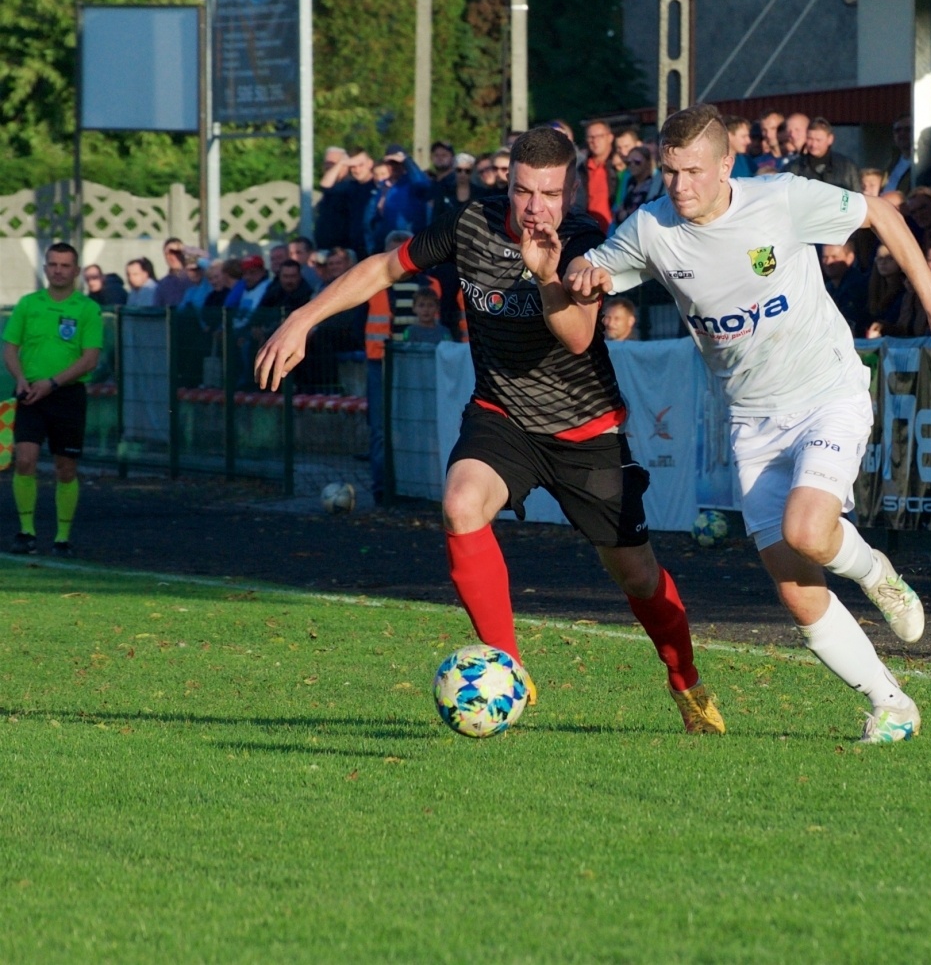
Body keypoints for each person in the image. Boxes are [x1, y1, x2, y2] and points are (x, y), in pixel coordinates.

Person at [254, 127, 726, 735]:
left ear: (571, 189)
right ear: (508, 185)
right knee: (460, 504)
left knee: (635, 573)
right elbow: (381, 267)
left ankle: (686, 682)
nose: (536, 208)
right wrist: (304, 317)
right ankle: (509, 671)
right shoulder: (469, 224)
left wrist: (546, 273)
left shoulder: (585, 241)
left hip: (586, 430)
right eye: (525, 192)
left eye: (550, 193)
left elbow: (579, 337)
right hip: (501, 416)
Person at [564, 103, 931, 744]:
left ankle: (877, 575)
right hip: (752, 421)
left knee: (809, 530)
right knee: (797, 591)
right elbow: (592, 268)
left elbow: (882, 215)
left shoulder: (781, 198)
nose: (680, 187)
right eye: (670, 173)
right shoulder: (652, 228)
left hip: (827, 392)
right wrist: (580, 272)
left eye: (693, 172)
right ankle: (891, 703)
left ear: (727, 163)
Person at [3, 242, 102, 556]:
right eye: (53, 264)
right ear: (45, 268)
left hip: (68, 395)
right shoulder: (28, 304)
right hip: (30, 394)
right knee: (25, 459)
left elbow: (89, 359)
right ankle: (26, 531)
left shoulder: (87, 309)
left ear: (75, 270)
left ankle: (62, 537)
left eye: (65, 265)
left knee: (66, 467)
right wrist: (20, 379)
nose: (58, 270)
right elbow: (10, 348)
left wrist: (54, 382)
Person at [791, 117, 862, 193]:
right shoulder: (794, 168)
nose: (813, 145)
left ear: (830, 139)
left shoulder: (847, 167)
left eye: (818, 140)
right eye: (810, 139)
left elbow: (858, 197)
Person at [153, 239, 191, 306]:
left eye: (176, 252)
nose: (172, 257)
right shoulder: (162, 284)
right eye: (168, 253)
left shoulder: (196, 277)